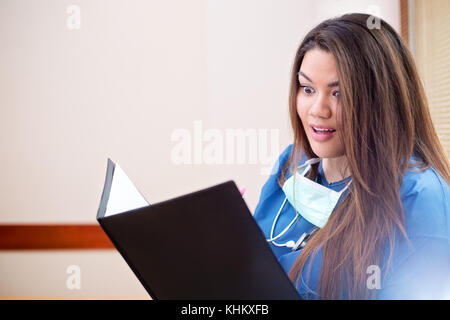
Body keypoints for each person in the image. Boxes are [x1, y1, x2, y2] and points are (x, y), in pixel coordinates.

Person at [253, 13, 450, 300]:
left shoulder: (420, 198)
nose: (318, 110)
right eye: (307, 89)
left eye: (339, 93)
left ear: (383, 98)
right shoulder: (292, 163)